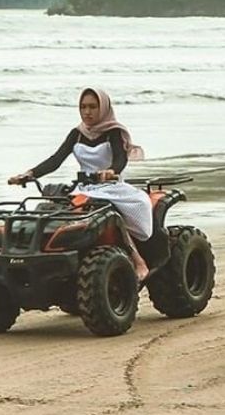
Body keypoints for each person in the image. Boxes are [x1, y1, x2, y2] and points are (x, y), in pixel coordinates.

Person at [8, 88, 153, 283]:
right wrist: (29, 174)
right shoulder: (77, 134)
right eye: (83, 107)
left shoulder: (114, 132)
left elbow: (120, 159)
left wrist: (111, 171)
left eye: (93, 107)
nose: (87, 112)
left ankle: (138, 260)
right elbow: (55, 160)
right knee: (55, 211)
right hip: (84, 188)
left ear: (103, 108)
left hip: (111, 188)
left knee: (113, 215)